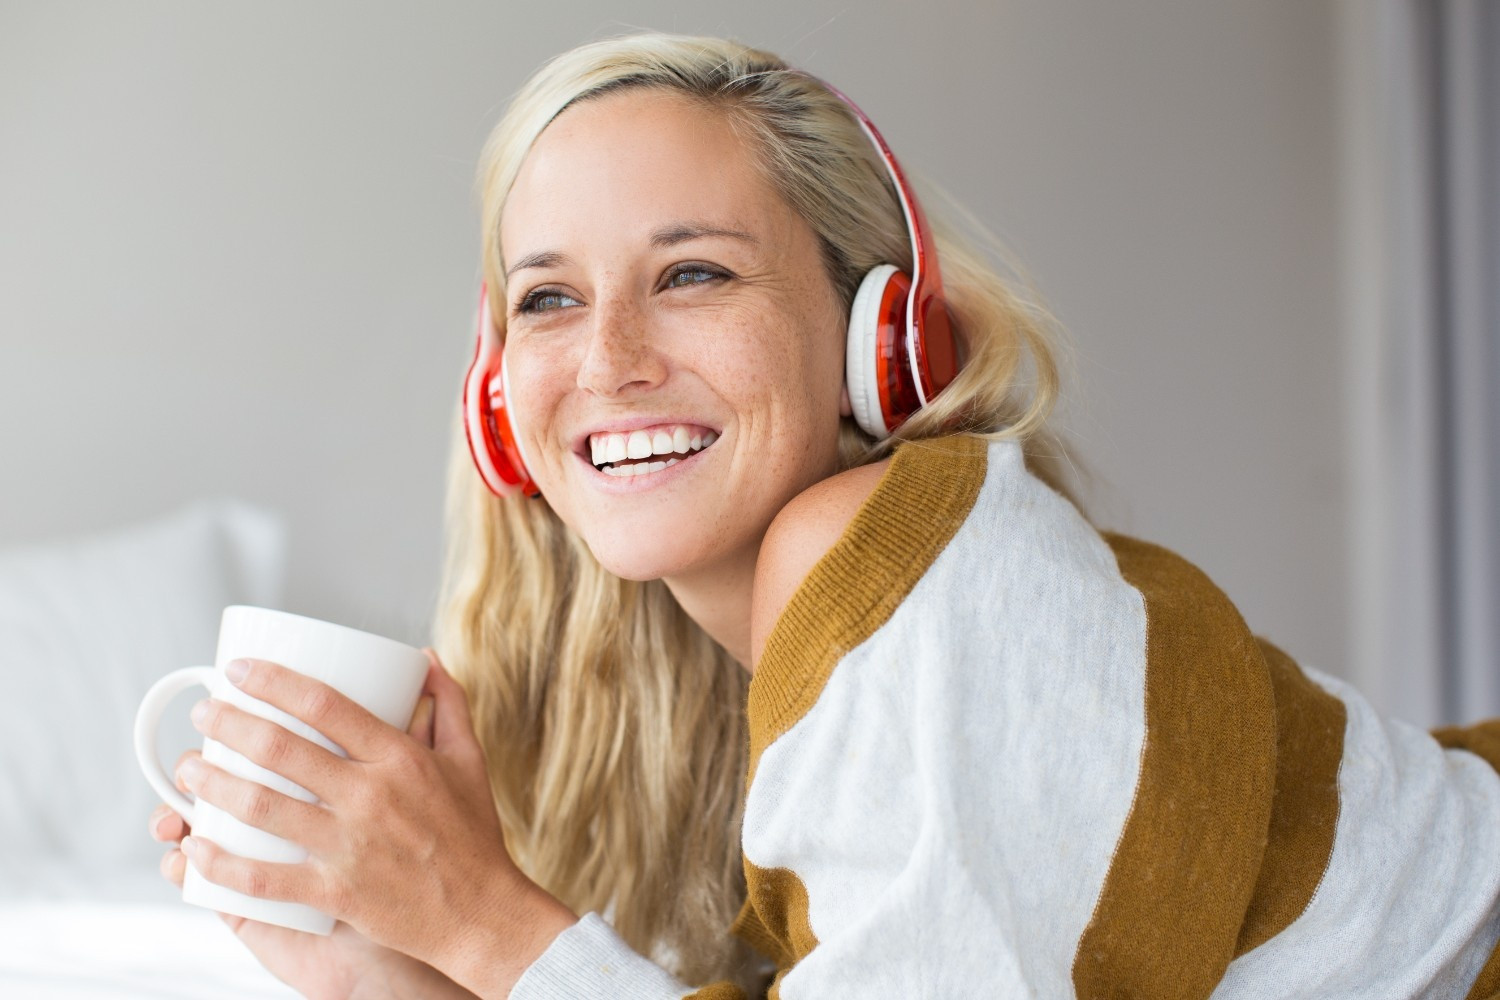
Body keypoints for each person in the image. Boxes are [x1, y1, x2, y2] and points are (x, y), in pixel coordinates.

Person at [148, 32, 1500, 999]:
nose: (609, 356)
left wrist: (489, 920)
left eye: (692, 273)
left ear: (879, 338)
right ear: (498, 404)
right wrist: (413, 975)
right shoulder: (771, 681)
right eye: (549, 298)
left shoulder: (894, 555)